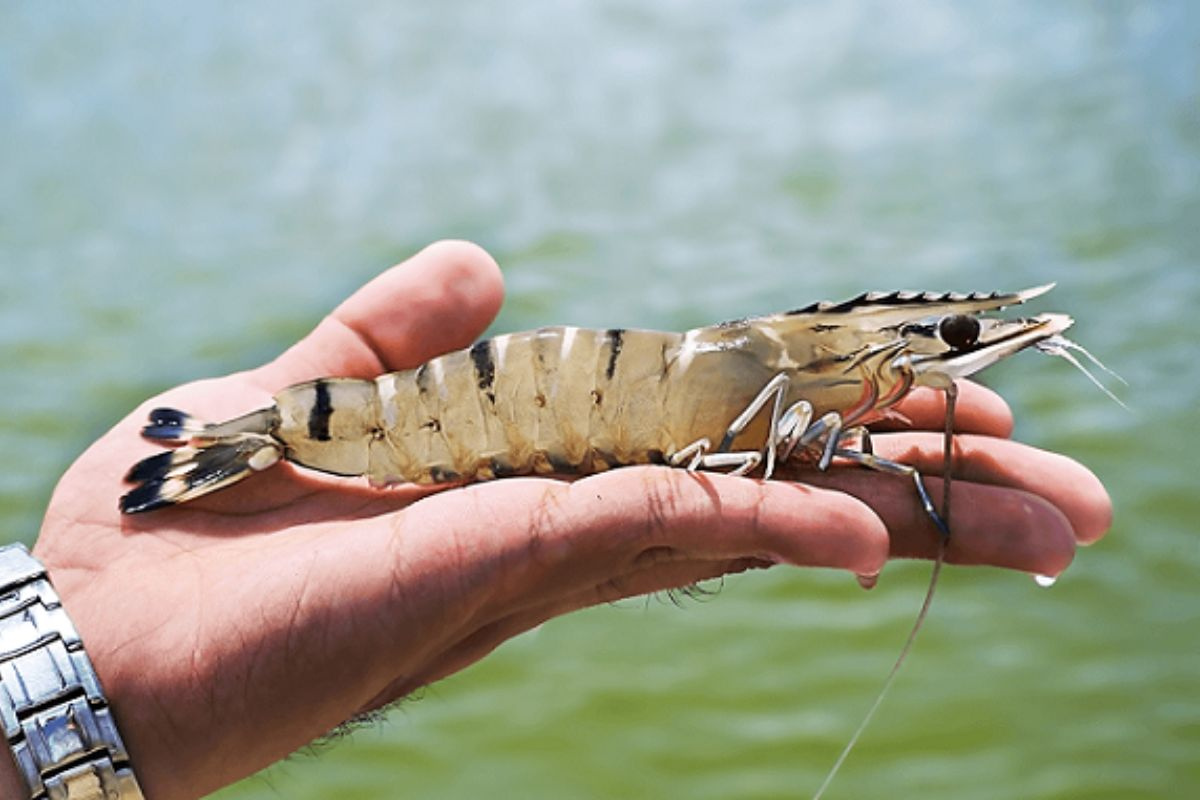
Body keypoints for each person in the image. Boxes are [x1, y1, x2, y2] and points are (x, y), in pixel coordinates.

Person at [2, 241, 1111, 800]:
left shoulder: (826, 361)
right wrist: (95, 656)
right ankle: (278, 434)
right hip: (469, 414)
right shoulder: (790, 376)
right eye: (939, 344)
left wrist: (85, 686)